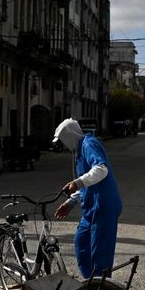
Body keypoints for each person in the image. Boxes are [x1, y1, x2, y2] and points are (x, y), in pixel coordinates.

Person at [53, 118, 123, 279]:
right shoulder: (78, 151)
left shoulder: (88, 144)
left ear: (70, 135)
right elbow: (87, 184)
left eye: (63, 139)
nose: (63, 144)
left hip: (104, 206)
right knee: (82, 244)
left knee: (100, 252)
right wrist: (72, 201)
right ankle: (89, 283)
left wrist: (77, 183)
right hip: (91, 207)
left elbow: (101, 169)